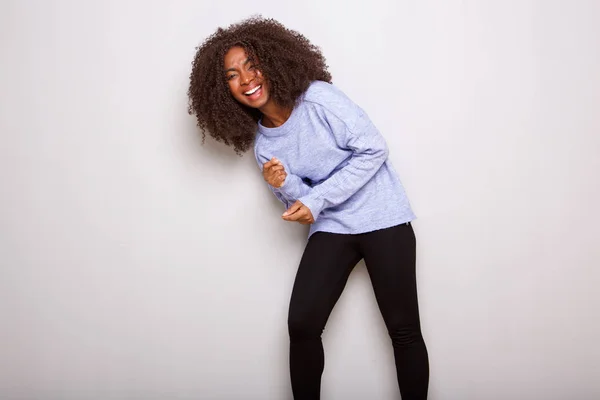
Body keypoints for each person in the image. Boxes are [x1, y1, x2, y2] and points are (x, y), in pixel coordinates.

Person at [188, 16, 429, 400]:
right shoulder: (263, 145)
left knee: (402, 329)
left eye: (252, 64)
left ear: (273, 61)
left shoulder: (318, 98)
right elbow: (304, 204)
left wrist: (315, 199)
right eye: (233, 74)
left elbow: (374, 149)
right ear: (223, 89)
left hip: (383, 217)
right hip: (333, 226)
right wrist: (283, 185)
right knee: (302, 324)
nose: (247, 78)